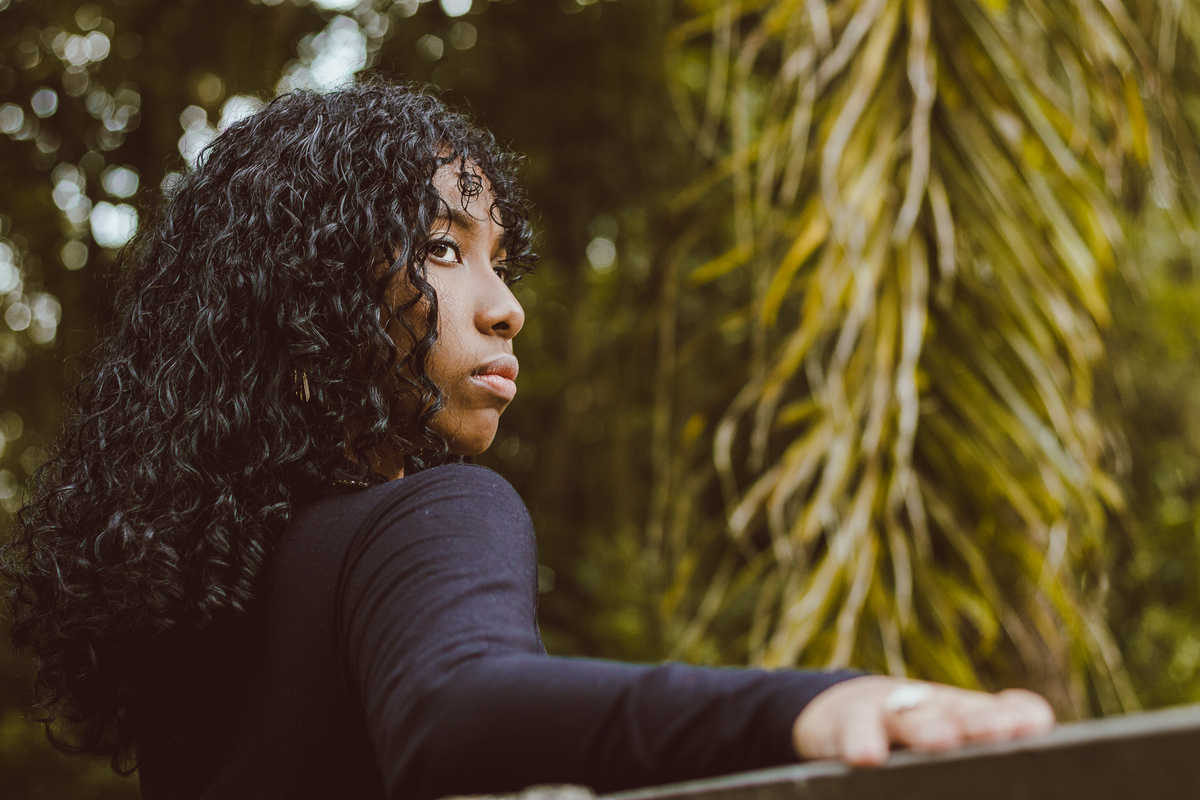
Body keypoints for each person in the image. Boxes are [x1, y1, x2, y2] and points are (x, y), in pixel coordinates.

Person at [1, 82, 1053, 800]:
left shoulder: (203, 604)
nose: (505, 306)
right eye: (440, 248)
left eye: (499, 259)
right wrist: (818, 703)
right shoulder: (433, 512)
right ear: (307, 300)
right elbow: (455, 707)